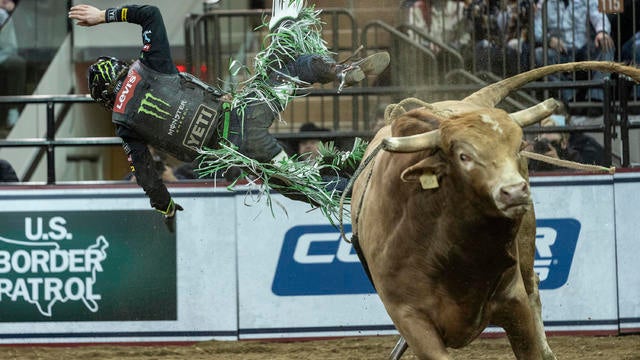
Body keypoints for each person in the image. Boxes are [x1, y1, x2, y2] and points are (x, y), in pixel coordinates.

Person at [68, 3, 390, 231]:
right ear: (122, 68)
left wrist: (165, 206)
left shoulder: (124, 125)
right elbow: (149, 13)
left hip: (239, 151)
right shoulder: (151, 65)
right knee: (288, 67)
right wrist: (102, 16)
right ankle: (339, 70)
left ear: (105, 99)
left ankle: (363, 187)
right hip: (245, 112)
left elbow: (147, 176)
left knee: (302, 186)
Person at [533, 0, 615, 110]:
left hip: (584, 51)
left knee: (607, 45)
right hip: (561, 52)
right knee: (539, 54)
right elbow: (536, 31)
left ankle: (596, 99)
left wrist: (602, 32)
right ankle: (570, 100)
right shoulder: (545, 3)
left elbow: (599, 17)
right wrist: (548, 40)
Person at [0, 0, 26, 130]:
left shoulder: (2, 15)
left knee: (17, 64)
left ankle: (13, 110)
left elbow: (10, 47)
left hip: (2, 56)